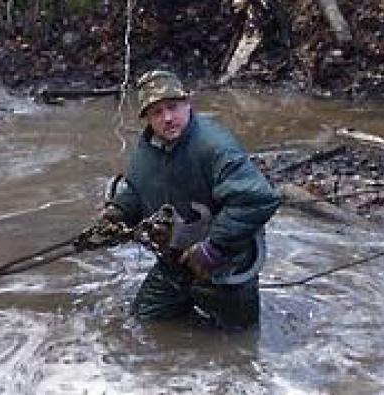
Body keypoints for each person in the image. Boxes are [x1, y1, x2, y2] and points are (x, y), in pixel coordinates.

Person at [101, 70, 281, 329]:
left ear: (188, 104)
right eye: (156, 113)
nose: (168, 118)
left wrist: (214, 249)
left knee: (239, 344)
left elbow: (257, 199)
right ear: (147, 119)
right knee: (145, 321)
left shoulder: (215, 146)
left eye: (172, 107)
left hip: (226, 265)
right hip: (175, 261)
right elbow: (136, 187)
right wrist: (118, 211)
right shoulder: (147, 149)